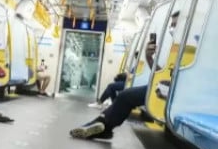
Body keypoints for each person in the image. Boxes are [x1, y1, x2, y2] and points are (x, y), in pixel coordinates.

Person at [70, 11, 179, 140]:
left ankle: (103, 125)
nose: (172, 29)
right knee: (125, 95)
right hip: (167, 86)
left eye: (175, 25)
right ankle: (103, 125)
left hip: (177, 92)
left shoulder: (189, 51)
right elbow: (160, 75)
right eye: (171, 26)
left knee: (125, 95)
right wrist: (149, 57)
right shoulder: (176, 49)